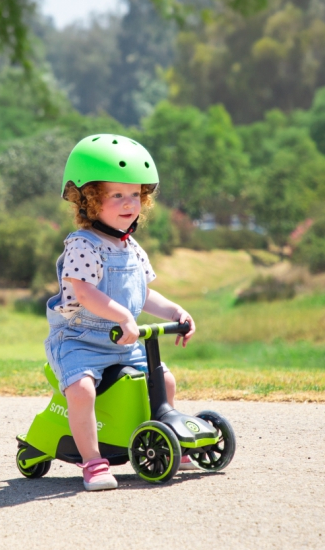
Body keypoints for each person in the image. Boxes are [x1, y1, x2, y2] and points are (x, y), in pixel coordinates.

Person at [43, 134, 197, 491]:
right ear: (90, 200)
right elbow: (84, 292)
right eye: (117, 195)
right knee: (81, 389)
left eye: (135, 195)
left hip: (122, 342)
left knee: (165, 380)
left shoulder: (131, 247)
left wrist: (176, 311)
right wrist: (122, 316)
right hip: (80, 341)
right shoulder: (82, 244)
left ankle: (165, 437)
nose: (130, 204)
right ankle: (93, 462)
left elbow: (142, 295)